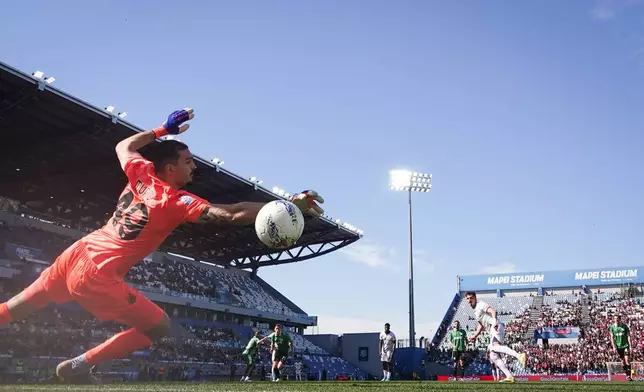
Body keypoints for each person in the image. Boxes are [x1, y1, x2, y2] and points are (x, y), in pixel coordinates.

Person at [0, 109, 324, 380]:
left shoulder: (140, 173)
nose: (193, 166)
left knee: (17, 307)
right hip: (98, 275)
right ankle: (78, 366)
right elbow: (231, 213)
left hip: (76, 253)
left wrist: (162, 130)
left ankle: (76, 366)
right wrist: (286, 206)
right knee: (158, 328)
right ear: (170, 168)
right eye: (187, 161)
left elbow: (124, 145)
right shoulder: (175, 201)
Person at [465, 292, 527, 383]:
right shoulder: (475, 312)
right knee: (493, 356)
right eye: (467, 298)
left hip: (495, 326)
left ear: (475, 298)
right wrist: (474, 335)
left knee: (494, 347)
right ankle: (509, 376)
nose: (469, 300)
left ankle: (519, 356)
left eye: (471, 298)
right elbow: (481, 325)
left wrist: (494, 322)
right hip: (492, 329)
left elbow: (493, 311)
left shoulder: (481, 304)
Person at [609, 314, 633, 381]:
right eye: (615, 319)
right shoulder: (612, 327)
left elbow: (628, 336)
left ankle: (629, 376)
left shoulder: (624, 326)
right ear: (614, 319)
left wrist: (630, 346)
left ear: (620, 319)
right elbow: (612, 338)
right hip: (618, 347)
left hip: (625, 345)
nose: (616, 320)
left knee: (627, 359)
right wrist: (614, 347)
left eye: (617, 319)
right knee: (622, 361)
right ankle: (627, 374)